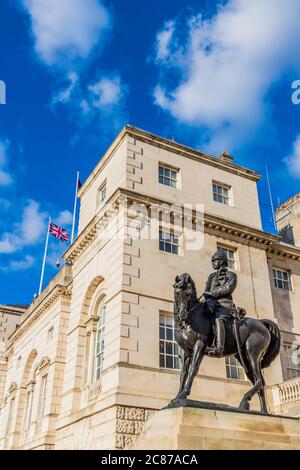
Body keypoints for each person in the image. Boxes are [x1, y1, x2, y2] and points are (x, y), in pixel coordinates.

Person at [204, 249, 237, 357]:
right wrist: (208, 297)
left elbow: (228, 288)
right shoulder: (211, 276)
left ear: (222, 261)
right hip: (211, 303)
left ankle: (219, 348)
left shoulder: (231, 275)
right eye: (212, 261)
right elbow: (206, 290)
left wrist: (212, 293)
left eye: (215, 261)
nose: (213, 263)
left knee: (218, 317)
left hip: (224, 304)